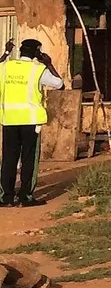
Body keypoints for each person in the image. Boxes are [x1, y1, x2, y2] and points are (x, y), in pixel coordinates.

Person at [2, 41, 64, 207]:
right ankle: (25, 197)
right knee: (29, 159)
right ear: (37, 53)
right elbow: (60, 84)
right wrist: (49, 64)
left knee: (9, 158)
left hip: (9, 119)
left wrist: (6, 53)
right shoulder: (38, 70)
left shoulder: (6, 67)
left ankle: (6, 197)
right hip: (31, 121)